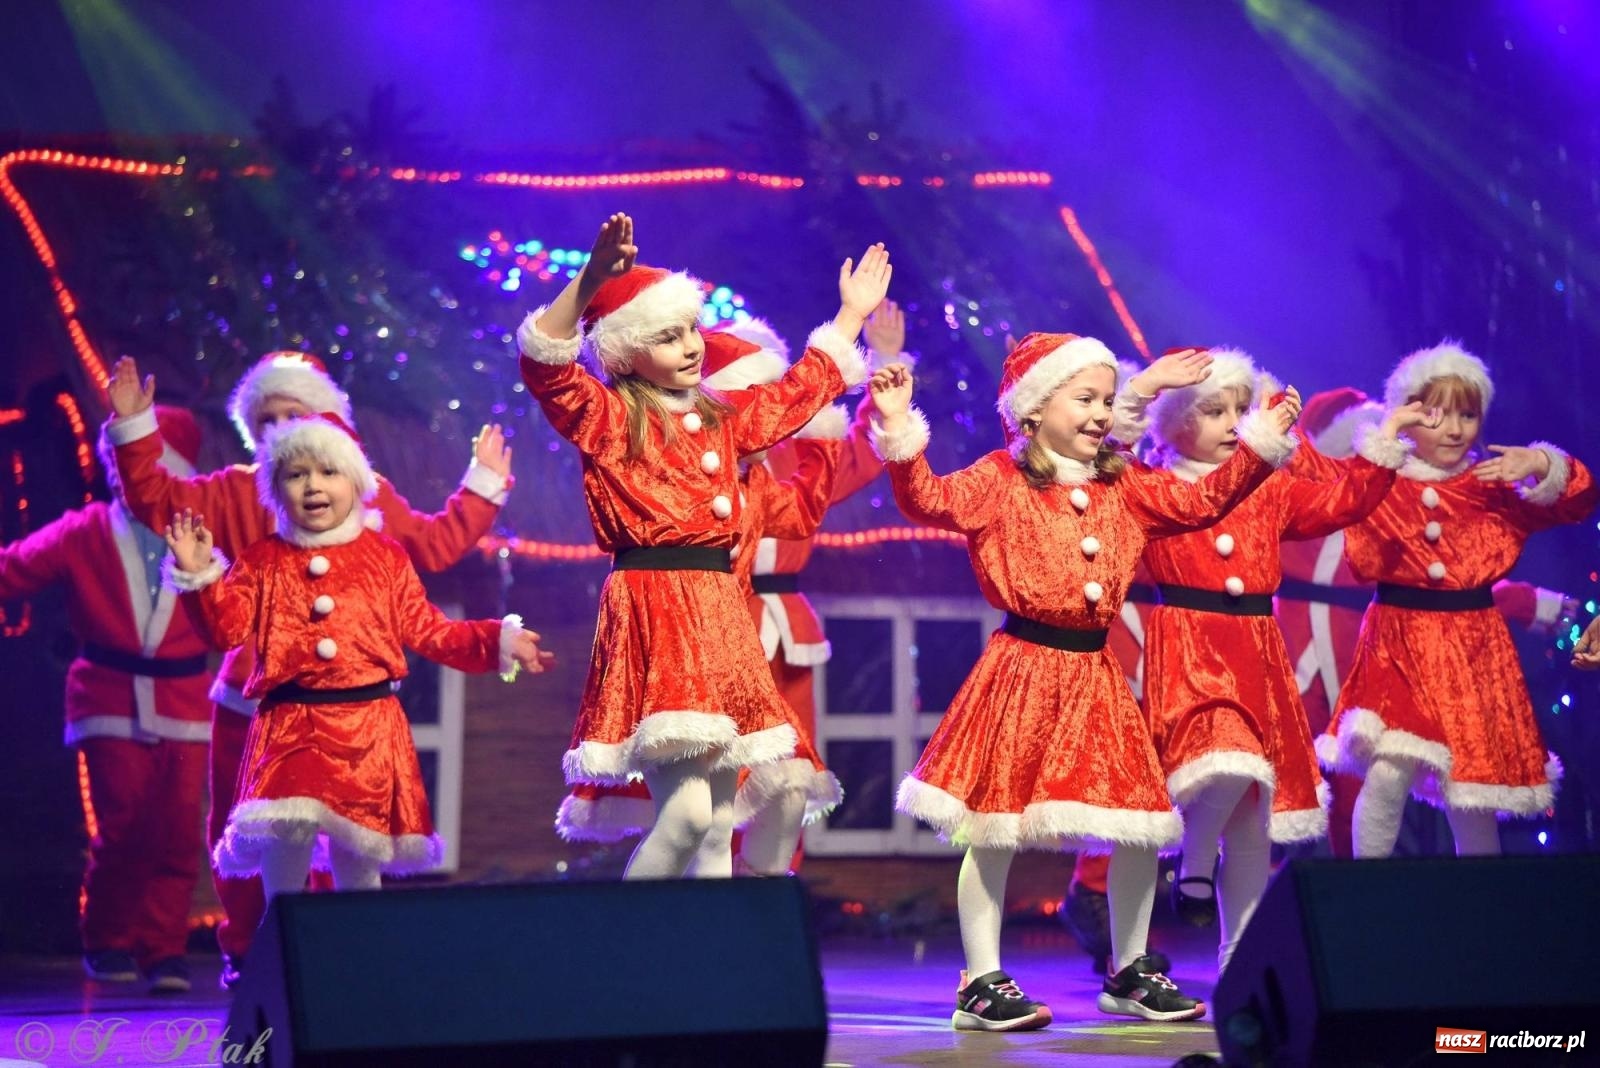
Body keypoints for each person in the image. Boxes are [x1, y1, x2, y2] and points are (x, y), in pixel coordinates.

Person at [872, 333, 1301, 1029]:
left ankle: (1129, 970)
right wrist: (897, 426)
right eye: (1086, 399)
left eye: (1108, 400)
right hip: (1022, 669)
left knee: (1139, 823)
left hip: (1095, 673)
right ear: (1034, 408)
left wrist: (1260, 444)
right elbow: (927, 499)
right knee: (994, 824)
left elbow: (1202, 504)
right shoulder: (1001, 477)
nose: (1103, 413)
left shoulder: (1123, 483)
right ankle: (980, 982)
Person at [104, 350, 510, 987]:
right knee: (255, 838)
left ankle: (336, 969)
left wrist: (481, 486)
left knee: (348, 845)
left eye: (294, 414)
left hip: (353, 710)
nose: (281, 429)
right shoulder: (236, 491)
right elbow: (158, 500)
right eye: (267, 420)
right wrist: (134, 432)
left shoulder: (357, 489)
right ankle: (255, 958)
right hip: (258, 703)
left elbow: (431, 548)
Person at [514, 213, 886, 879]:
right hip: (657, 608)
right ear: (626, 351)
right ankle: (626, 941)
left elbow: (797, 393)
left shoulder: (722, 419)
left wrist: (850, 317)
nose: (691, 346)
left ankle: (706, 941)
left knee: (715, 821)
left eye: (691, 328)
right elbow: (546, 365)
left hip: (719, 612)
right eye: (667, 336)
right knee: (687, 817)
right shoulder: (609, 418)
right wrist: (590, 281)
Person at [1111, 348, 1429, 976]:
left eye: (1240, 409)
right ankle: (1195, 855)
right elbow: (1108, 457)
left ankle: (1238, 960)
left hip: (1257, 647)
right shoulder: (1151, 485)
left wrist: (1386, 439)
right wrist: (1142, 390)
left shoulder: (1269, 485)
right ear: (1176, 424)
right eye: (1214, 412)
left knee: (1253, 813)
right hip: (1193, 645)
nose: (1233, 422)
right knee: (1229, 758)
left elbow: (1339, 505)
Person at [161, 411, 549, 904]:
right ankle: (282, 938)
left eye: (328, 471)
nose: (313, 486)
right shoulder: (262, 560)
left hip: (366, 733)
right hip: (291, 727)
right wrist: (201, 579)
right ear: (276, 489)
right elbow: (226, 629)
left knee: (359, 862)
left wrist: (497, 641)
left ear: (357, 482)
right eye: (296, 474)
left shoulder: (385, 558)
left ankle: (357, 945)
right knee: (287, 844)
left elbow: (430, 630)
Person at [1312, 342, 1597, 857]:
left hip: (1473, 653)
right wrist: (1384, 439)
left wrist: (1541, 462)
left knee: (1473, 793)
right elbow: (1338, 494)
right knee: (1387, 772)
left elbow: (1579, 500)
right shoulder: (1382, 482)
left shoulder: (1490, 487)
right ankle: (1366, 889)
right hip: (1399, 647)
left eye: (1467, 415)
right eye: (1436, 415)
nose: (1454, 428)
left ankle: (1480, 897)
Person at [0, 407, 211, 992]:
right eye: (117, 460)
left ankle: (164, 948)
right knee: (125, 823)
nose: (125, 472)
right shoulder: (85, 531)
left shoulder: (208, 529)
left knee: (177, 832)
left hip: (185, 700)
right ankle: (108, 937)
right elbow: (13, 568)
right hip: (108, 695)